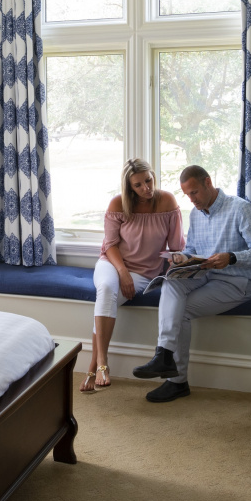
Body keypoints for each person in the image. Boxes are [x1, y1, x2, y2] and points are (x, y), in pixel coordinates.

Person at [132, 165, 251, 403]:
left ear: (208, 182)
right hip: (204, 275)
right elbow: (193, 249)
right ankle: (163, 354)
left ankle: (177, 381)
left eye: (194, 192)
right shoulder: (196, 215)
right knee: (170, 282)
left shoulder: (240, 208)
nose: (192, 200)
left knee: (181, 312)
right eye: (187, 195)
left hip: (237, 282)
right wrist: (181, 258)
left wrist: (232, 257)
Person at [81, 159, 184, 393]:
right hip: (112, 263)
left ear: (153, 176)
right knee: (107, 289)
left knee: (107, 301)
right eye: (138, 185)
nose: (146, 188)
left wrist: (175, 268)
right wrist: (123, 273)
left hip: (145, 272)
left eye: (148, 180)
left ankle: (92, 364)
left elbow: (176, 245)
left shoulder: (167, 200)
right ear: (130, 187)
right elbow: (110, 245)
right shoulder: (118, 203)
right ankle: (102, 363)